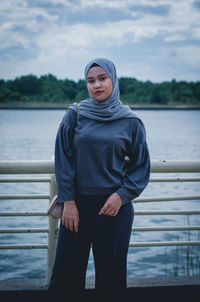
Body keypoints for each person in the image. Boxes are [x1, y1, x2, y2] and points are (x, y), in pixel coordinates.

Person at [46, 58, 150, 302]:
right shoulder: (75, 114)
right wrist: (68, 201)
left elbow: (140, 167)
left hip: (114, 210)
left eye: (102, 79)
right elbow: (63, 160)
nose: (97, 85)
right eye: (91, 81)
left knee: (111, 283)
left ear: (113, 79)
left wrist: (121, 195)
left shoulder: (131, 121)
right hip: (76, 208)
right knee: (64, 281)